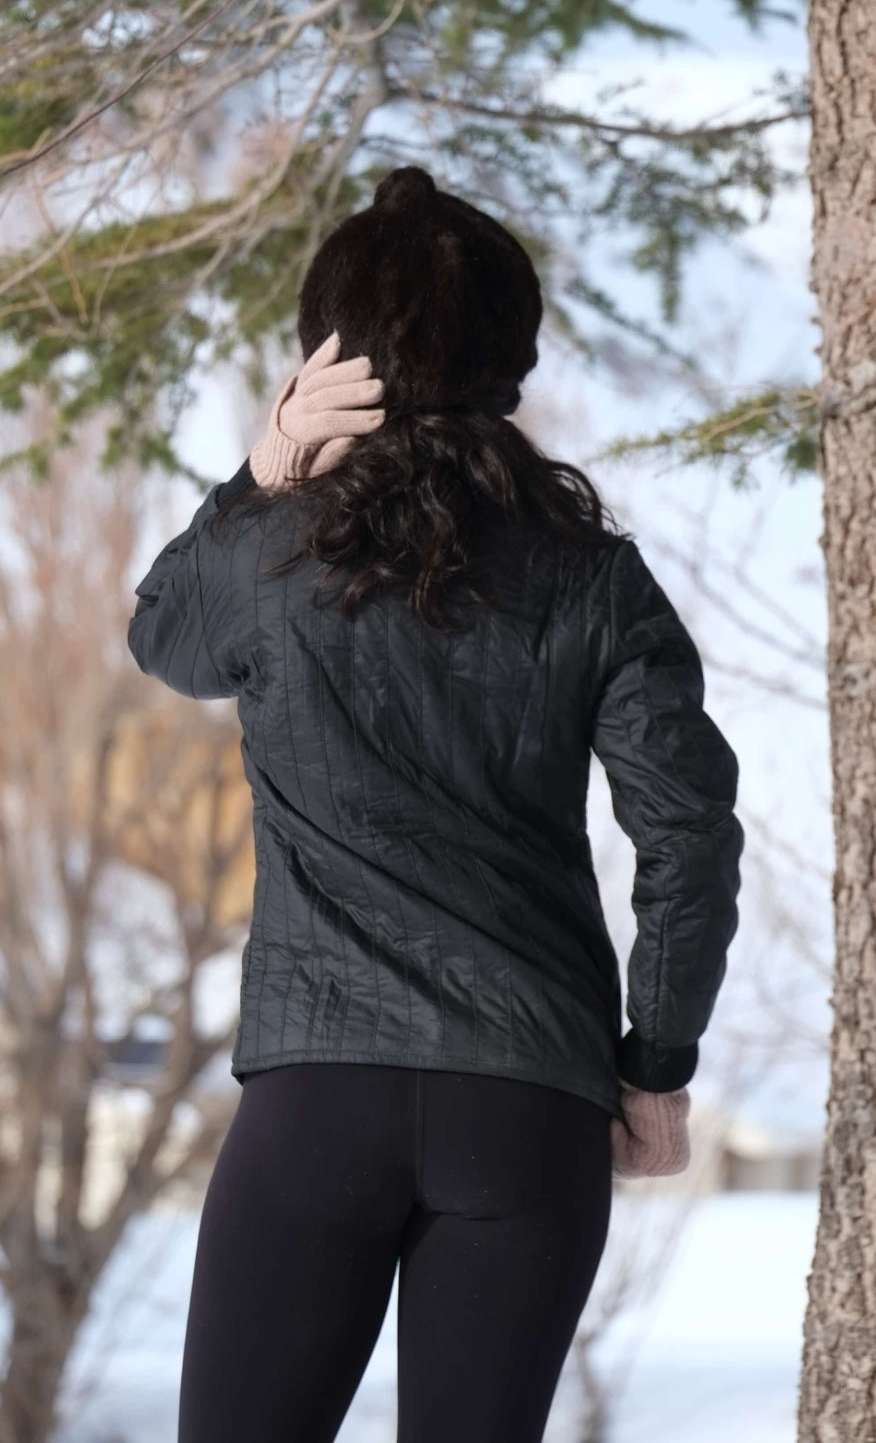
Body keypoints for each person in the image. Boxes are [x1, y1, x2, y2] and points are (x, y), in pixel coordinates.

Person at [127, 165, 745, 1442]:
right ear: (508, 355)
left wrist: (260, 469)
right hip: (529, 1108)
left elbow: (163, 641)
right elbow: (684, 831)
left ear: (329, 351)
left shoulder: (268, 553)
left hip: (317, 1100)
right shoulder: (595, 579)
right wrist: (658, 1062)